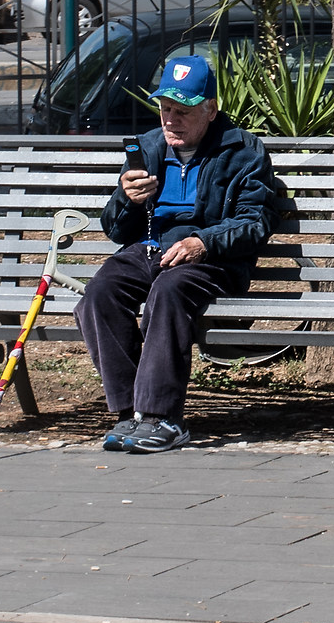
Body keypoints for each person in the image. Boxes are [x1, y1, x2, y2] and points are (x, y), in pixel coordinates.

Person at [77, 54, 278, 454]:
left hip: (210, 258)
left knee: (167, 293)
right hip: (150, 249)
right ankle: (132, 412)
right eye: (165, 109)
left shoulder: (243, 151)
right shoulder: (149, 147)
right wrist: (127, 199)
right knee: (98, 296)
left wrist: (203, 242)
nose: (170, 120)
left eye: (182, 111)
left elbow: (256, 221)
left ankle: (162, 419)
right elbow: (116, 231)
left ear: (210, 109)